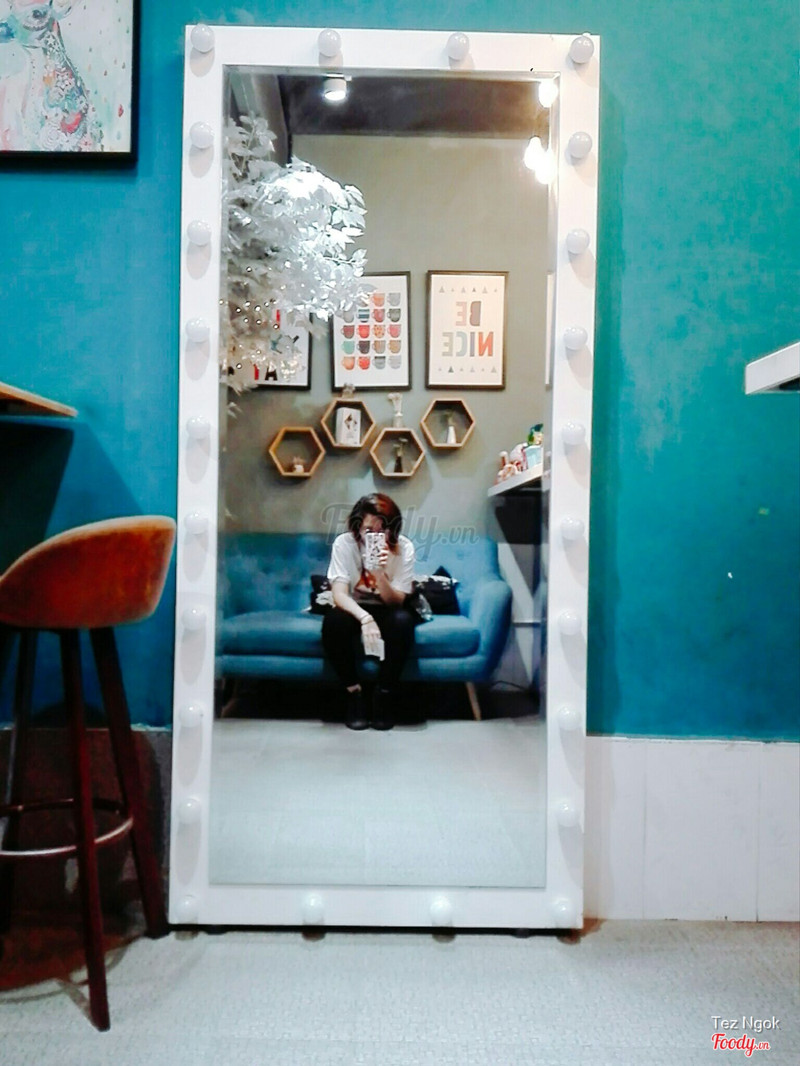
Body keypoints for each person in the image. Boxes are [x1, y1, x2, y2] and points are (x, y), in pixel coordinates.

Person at [322, 493, 416, 730]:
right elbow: (339, 594)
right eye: (368, 530)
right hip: (354, 607)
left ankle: (383, 695)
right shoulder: (344, 543)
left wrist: (379, 575)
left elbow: (396, 601)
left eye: (383, 530)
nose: (376, 536)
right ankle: (354, 694)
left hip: (387, 606)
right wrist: (365, 618)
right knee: (334, 622)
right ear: (357, 527)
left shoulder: (404, 547)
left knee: (403, 621)